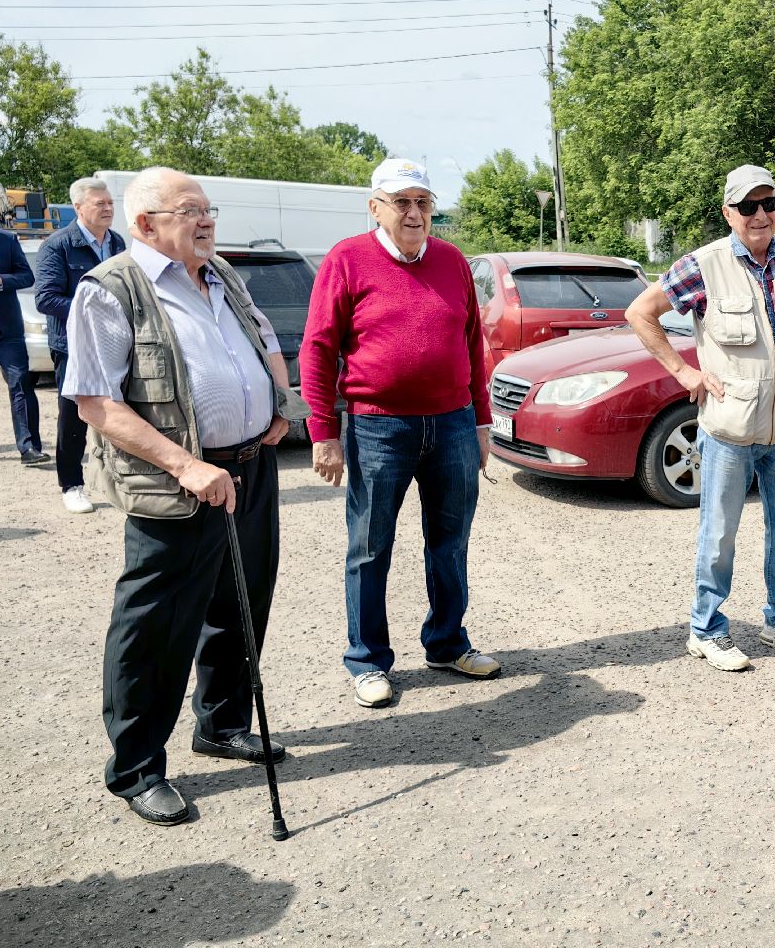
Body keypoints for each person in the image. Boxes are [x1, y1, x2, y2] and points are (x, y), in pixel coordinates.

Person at [64, 167, 302, 826]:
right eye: (190, 210)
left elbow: (261, 340)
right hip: (176, 485)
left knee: (242, 604)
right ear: (145, 224)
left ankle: (221, 725)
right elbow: (96, 403)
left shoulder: (222, 274)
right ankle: (137, 767)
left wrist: (278, 404)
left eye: (209, 209)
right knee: (156, 626)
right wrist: (185, 466)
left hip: (251, 472)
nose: (207, 220)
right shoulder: (112, 290)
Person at [301, 158, 498, 710]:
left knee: (450, 542)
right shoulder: (348, 259)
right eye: (402, 202)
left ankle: (446, 643)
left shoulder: (452, 260)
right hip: (377, 425)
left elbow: (471, 343)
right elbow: (318, 348)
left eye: (422, 203)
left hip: (454, 422)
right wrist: (324, 432)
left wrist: (481, 421)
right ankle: (367, 660)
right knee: (369, 547)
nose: (414, 213)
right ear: (376, 208)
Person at [625, 165, 775, 672]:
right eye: (748, 206)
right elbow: (640, 313)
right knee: (719, 533)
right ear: (729, 213)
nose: (760, 215)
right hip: (729, 428)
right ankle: (706, 628)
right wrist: (683, 373)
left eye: (768, 203)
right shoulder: (704, 264)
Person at [34, 178, 128, 512]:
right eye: (99, 203)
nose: (107, 208)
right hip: (72, 343)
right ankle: (71, 484)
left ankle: (119, 479)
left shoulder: (117, 243)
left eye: (110, 203)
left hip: (114, 342)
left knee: (120, 408)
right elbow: (46, 299)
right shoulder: (58, 245)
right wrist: (92, 310)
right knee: (74, 414)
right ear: (78, 207)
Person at [0, 222, 47, 465]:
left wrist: (0, 279)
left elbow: (27, 276)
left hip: (5, 329)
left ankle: (29, 447)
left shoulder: (5, 240)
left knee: (20, 381)